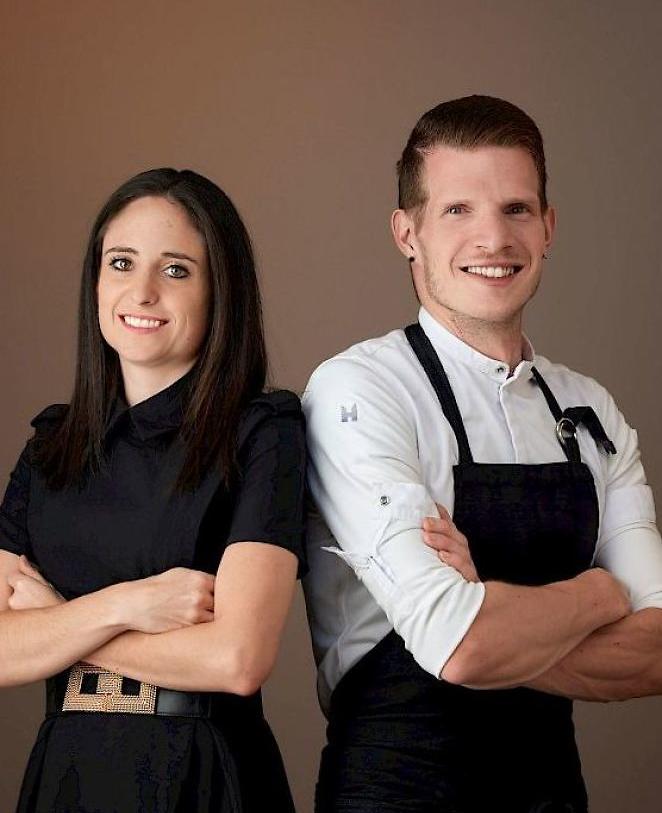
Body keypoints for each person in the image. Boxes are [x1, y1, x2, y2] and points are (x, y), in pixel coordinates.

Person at [302, 95, 662, 812]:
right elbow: (460, 646)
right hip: (395, 792)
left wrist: (486, 611)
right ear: (407, 232)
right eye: (458, 209)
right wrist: (599, 594)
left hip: (552, 794)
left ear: (549, 227)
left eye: (516, 209)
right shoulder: (360, 390)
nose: (493, 238)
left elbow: (655, 652)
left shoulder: (590, 409)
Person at [0, 168, 306, 813]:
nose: (141, 292)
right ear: (96, 280)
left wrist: (58, 624)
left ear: (220, 291)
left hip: (204, 773)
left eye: (175, 270)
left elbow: (237, 659)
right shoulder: (49, 449)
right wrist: (128, 605)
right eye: (121, 263)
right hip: (67, 778)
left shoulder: (264, 433)